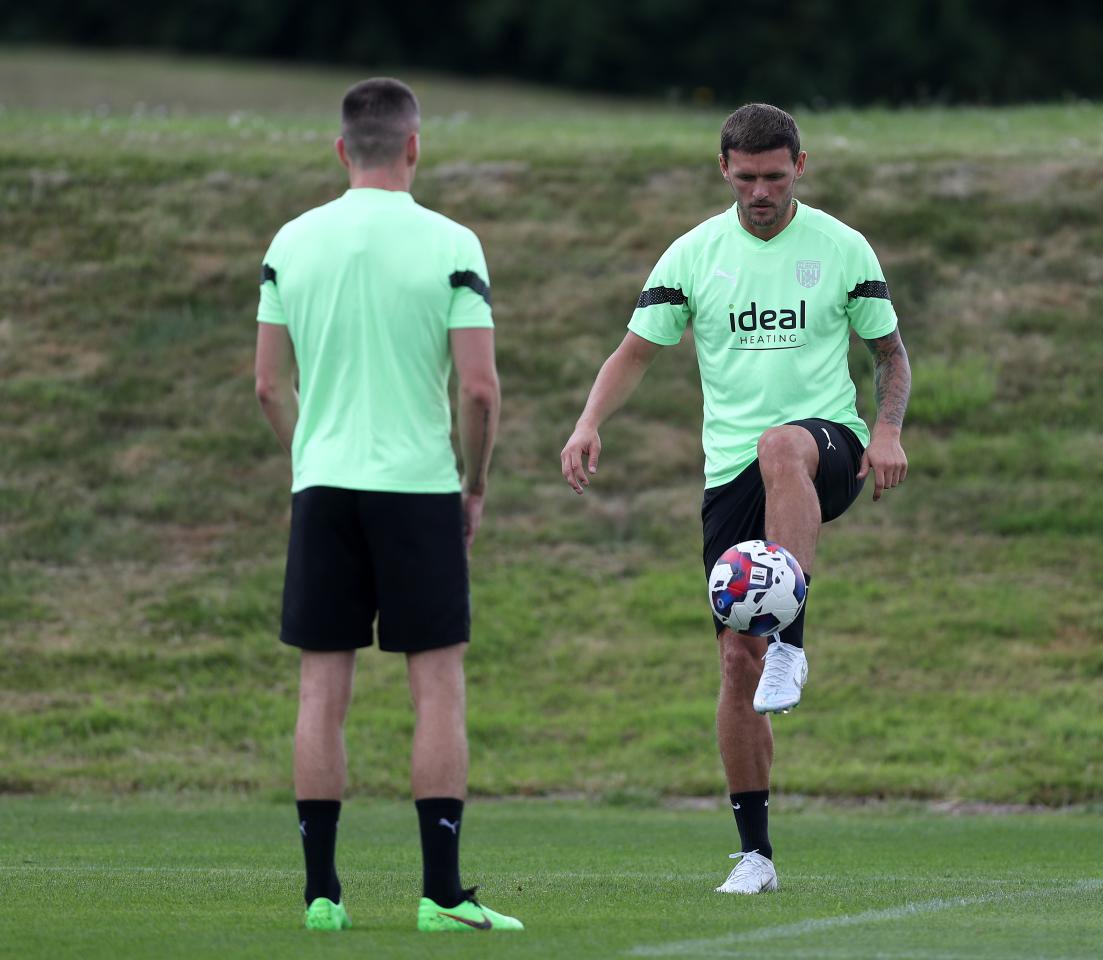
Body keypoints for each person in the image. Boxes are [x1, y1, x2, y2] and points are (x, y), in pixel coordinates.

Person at [560, 103, 911, 894]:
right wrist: (587, 422)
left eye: (776, 177)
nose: (761, 192)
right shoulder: (692, 256)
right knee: (732, 660)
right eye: (747, 177)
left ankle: (793, 638)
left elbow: (891, 355)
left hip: (829, 450)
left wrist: (887, 432)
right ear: (724, 169)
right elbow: (635, 353)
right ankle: (756, 854)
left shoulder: (841, 247)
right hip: (729, 480)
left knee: (780, 443)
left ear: (801, 167)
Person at [254, 77, 522, 933]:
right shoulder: (452, 242)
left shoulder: (291, 242)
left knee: (319, 691)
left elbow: (267, 384)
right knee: (436, 690)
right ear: (414, 146)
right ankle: (441, 896)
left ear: (342, 150)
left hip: (324, 484)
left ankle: (321, 896)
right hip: (417, 487)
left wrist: (310, 456)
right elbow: (479, 389)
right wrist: (473, 483)